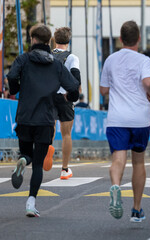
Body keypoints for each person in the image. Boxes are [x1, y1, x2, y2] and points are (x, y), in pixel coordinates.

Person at [7, 24, 79, 217]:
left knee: (26, 152)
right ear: (49, 42)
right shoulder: (56, 65)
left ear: (32, 40)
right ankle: (31, 203)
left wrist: (15, 88)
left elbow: (12, 76)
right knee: (38, 164)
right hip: (45, 119)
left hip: (24, 117)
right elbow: (73, 86)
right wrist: (69, 98)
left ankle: (23, 159)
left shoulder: (23, 59)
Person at [100, 21, 150, 222]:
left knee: (118, 158)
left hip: (117, 118)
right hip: (140, 118)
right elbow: (148, 82)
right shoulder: (144, 60)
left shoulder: (110, 60)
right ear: (139, 39)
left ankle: (115, 185)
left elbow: (104, 90)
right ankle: (136, 209)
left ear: (120, 39)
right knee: (139, 161)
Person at [44, 27, 81, 180]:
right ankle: (64, 169)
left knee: (49, 129)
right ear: (69, 40)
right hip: (64, 97)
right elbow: (76, 80)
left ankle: (46, 151)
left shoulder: (46, 55)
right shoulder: (72, 57)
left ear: (54, 39)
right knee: (66, 134)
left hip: (48, 96)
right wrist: (72, 95)